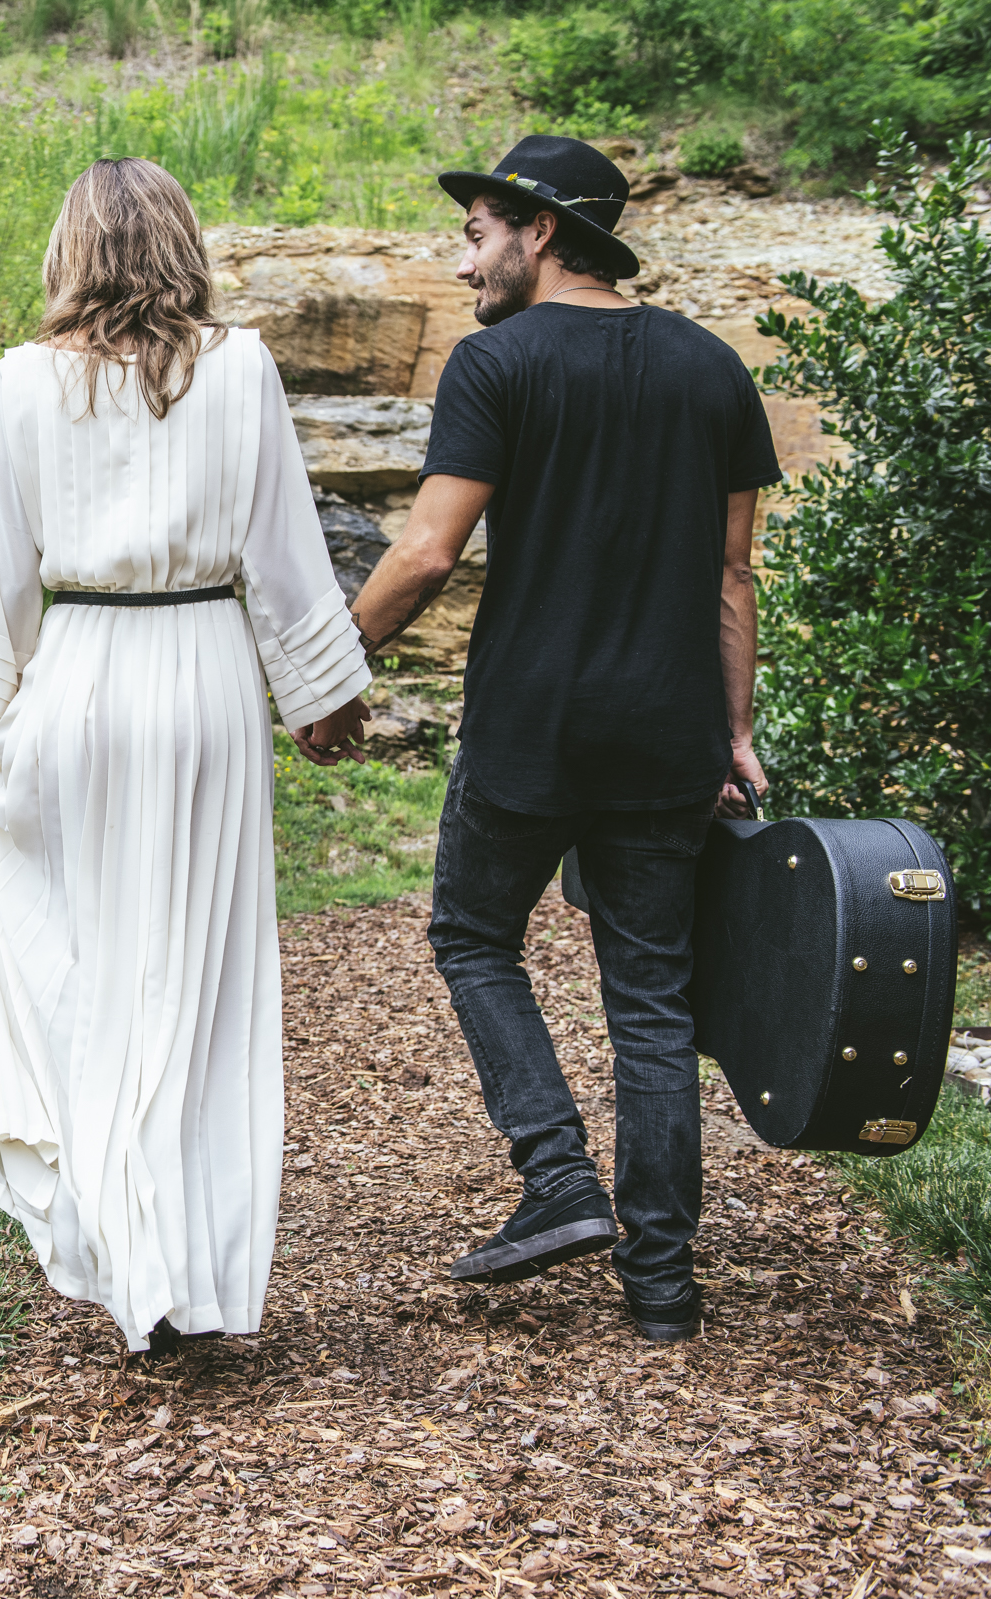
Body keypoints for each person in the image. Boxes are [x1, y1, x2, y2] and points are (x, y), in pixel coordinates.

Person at [335, 134, 782, 1344]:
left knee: (474, 934)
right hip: (667, 733)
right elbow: (731, 574)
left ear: (538, 230)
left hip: (533, 723)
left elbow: (426, 550)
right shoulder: (712, 368)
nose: (464, 254)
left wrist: (327, 668)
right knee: (651, 999)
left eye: (477, 231)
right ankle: (663, 1286)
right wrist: (733, 728)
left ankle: (556, 1175)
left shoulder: (497, 363)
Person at [0, 157, 373, 1355]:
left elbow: (1, 570)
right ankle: (183, 1261)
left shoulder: (21, 381)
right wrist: (322, 702)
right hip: (205, 682)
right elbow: (286, 558)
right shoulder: (242, 368)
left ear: (71, 248)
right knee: (201, 976)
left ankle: (116, 1235)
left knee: (82, 959)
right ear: (180, 242)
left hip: (75, 672)